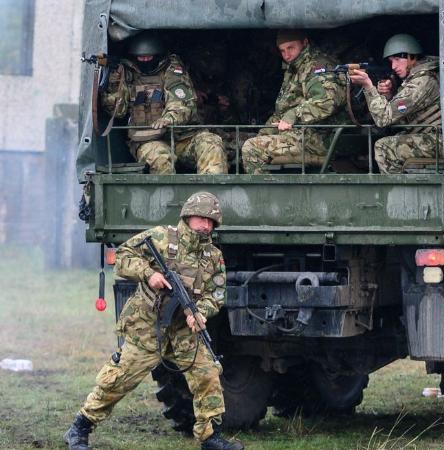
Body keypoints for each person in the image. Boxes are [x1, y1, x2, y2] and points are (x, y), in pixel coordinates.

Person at [63, 192, 242, 450]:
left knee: (207, 374)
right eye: (202, 218)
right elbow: (123, 257)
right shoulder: (160, 237)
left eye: (211, 221)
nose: (206, 225)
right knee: (120, 379)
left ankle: (209, 436)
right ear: (188, 216)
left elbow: (216, 293)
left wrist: (200, 312)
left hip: (183, 329)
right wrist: (148, 274)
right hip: (147, 324)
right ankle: (80, 428)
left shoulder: (213, 256)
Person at [103, 33, 228, 174]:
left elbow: (182, 103)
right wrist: (114, 80)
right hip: (148, 140)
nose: (144, 60)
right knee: (160, 159)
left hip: (183, 137)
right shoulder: (127, 73)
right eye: (140, 58)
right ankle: (167, 196)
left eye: (148, 57)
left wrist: (168, 119)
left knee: (211, 144)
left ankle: (210, 194)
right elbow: (117, 111)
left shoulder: (171, 68)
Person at [241, 30, 347, 174]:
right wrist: (264, 133)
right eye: (282, 51)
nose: (286, 55)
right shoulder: (295, 68)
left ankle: (266, 194)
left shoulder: (318, 66)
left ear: (305, 43)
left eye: (291, 48)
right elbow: (283, 111)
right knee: (242, 142)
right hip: (300, 135)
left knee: (251, 148)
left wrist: (294, 115)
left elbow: (328, 101)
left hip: (319, 139)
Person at [348, 33, 441, 174]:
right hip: (432, 137)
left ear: (412, 56)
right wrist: (390, 95)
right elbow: (401, 112)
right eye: (391, 61)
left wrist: (368, 87)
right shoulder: (417, 78)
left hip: (439, 141)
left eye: (398, 59)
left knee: (384, 147)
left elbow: (384, 118)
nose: (394, 66)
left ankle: (396, 193)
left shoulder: (423, 81)